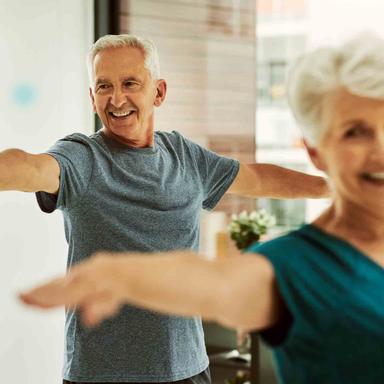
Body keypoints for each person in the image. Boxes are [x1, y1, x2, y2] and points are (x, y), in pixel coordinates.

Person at [1, 34, 326, 383]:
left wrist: (334, 187)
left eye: (130, 83)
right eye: (104, 86)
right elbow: (30, 168)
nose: (116, 98)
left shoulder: (185, 157)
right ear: (92, 98)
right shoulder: (82, 157)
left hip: (189, 370)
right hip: (101, 375)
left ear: (158, 92)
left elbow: (258, 180)